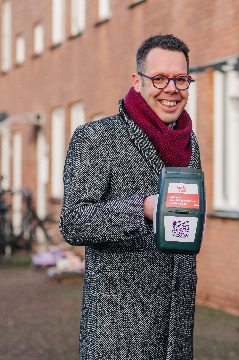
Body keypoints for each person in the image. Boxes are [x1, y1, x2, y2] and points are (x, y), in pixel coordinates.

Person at [59, 34, 200, 359]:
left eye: (181, 79)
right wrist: (143, 209)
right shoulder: (96, 138)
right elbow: (73, 222)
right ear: (138, 81)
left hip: (176, 333)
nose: (172, 88)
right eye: (160, 78)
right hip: (117, 335)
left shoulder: (187, 144)